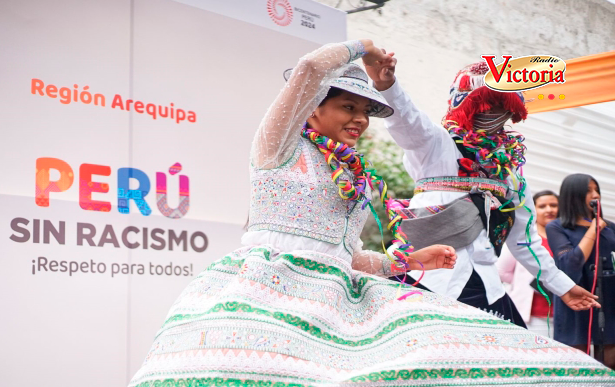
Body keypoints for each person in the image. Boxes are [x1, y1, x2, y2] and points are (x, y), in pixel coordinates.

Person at [129, 41, 615, 386]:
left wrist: (415, 260)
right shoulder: (277, 149)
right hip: (269, 295)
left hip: (341, 301)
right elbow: (316, 74)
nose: (361, 119)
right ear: (311, 109)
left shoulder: (355, 176)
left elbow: (349, 256)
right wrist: (368, 52)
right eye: (347, 106)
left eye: (367, 110)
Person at [365, 57, 600, 327]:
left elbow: (525, 241)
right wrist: (387, 85)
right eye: (485, 105)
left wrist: (563, 286)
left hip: (486, 286)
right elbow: (407, 121)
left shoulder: (512, 172)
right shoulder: (436, 146)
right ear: (463, 104)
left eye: (501, 106)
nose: (492, 113)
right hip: (423, 278)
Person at [547, 174, 615, 369]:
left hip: (609, 299)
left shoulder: (609, 227)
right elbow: (570, 263)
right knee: (577, 363)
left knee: (610, 360)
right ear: (573, 194)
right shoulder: (557, 227)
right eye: (589, 190)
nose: (595, 195)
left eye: (597, 190)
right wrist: (593, 230)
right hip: (576, 298)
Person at [497, 190, 559, 336]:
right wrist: (524, 281)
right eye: (542, 206)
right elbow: (501, 271)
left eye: (553, 205)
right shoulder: (524, 237)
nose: (549, 209)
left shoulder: (566, 238)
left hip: (562, 315)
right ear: (534, 209)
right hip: (531, 314)